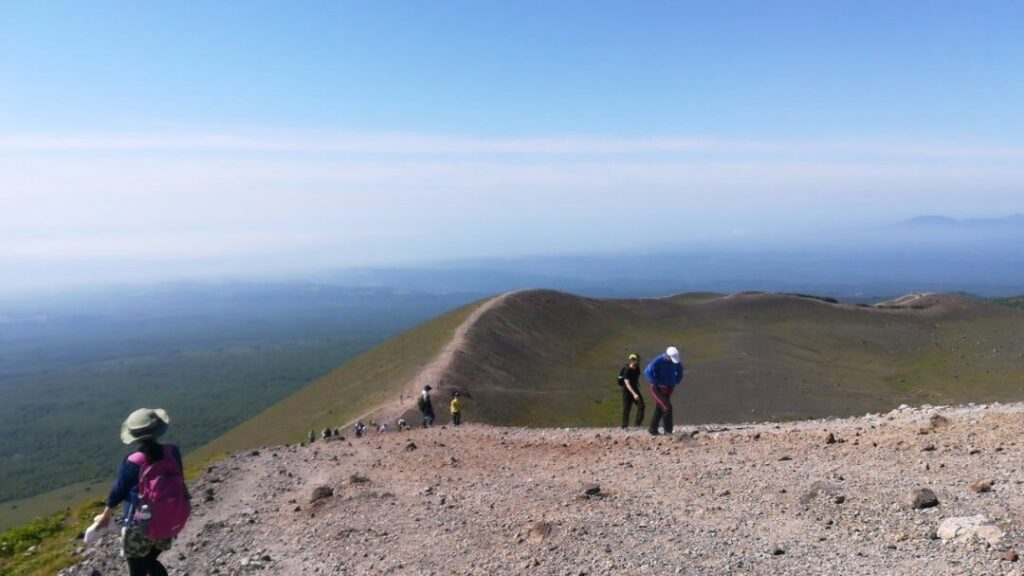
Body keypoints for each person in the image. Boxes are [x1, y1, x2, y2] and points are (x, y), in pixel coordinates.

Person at [93, 408, 188, 576]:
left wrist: (105, 516)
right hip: (168, 519)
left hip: (138, 526)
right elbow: (180, 479)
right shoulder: (172, 452)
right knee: (151, 561)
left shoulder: (132, 461)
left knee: (137, 570)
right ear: (158, 430)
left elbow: (117, 493)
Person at [644, 346, 684, 435]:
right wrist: (656, 382)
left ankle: (652, 429)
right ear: (667, 355)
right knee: (667, 408)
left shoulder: (676, 361)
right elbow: (647, 372)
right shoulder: (658, 361)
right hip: (657, 388)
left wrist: (676, 380)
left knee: (660, 408)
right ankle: (668, 431)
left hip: (669, 388)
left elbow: (680, 370)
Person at [618, 353, 645, 428]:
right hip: (627, 390)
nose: (637, 362)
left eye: (638, 360)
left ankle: (637, 424)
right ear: (631, 361)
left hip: (634, 388)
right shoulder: (627, 370)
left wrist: (635, 392)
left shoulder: (637, 368)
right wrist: (634, 394)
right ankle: (624, 426)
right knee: (627, 408)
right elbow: (627, 383)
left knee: (641, 406)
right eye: (636, 360)